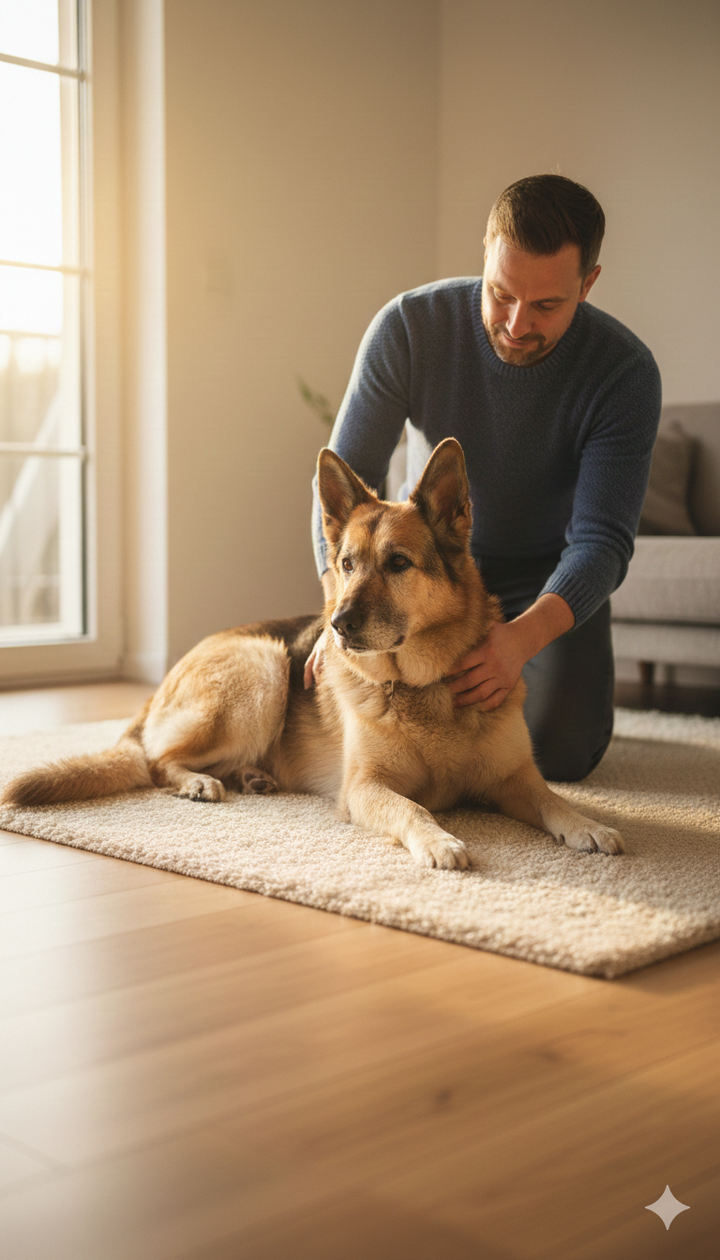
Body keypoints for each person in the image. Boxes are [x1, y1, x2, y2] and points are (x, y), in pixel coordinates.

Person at [309, 174, 662, 780]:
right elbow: (344, 484)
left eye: (547, 304)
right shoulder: (408, 328)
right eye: (501, 294)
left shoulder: (623, 374)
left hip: (550, 579)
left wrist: (520, 642)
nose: (518, 323)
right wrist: (336, 608)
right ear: (486, 252)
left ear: (588, 284)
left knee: (559, 751)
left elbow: (602, 544)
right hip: (428, 569)